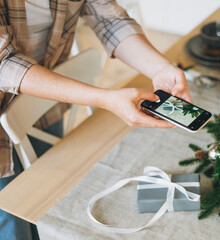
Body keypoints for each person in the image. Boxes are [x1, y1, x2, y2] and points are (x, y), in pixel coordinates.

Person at [0, 1, 191, 239]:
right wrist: (105, 98)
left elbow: (109, 19)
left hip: (49, 96)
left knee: (49, 196)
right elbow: (3, 63)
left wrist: (161, 68)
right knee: (10, 215)